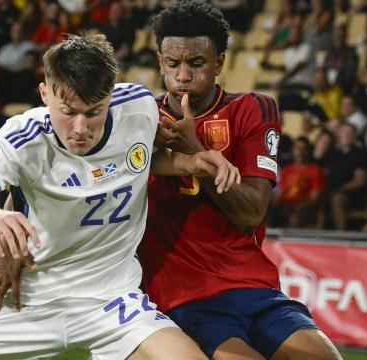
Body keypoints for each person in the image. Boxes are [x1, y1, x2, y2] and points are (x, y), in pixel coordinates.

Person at [0, 34, 238, 360]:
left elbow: (138, 156)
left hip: (111, 300)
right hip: (27, 298)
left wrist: (191, 161)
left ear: (110, 96)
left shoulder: (138, 108)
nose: (79, 128)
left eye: (93, 112)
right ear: (44, 94)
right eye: (68, 111)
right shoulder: (21, 138)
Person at [139, 2, 341, 359]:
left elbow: (251, 213)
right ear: (160, 62)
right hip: (186, 295)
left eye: (196, 63)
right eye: (173, 64)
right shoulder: (139, 120)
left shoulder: (252, 108)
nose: (183, 74)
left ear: (219, 62)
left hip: (254, 287)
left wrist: (194, 148)